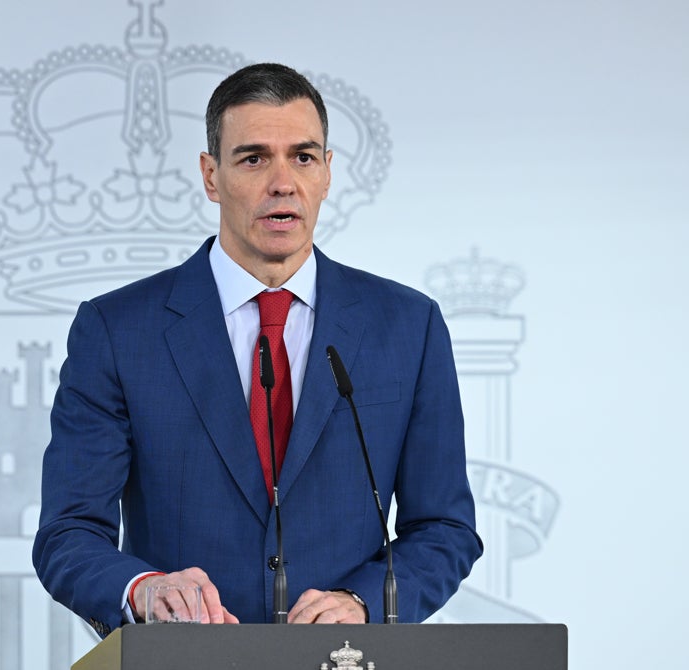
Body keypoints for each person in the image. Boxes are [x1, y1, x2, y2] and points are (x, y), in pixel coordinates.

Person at [33, 63, 482, 635]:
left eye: (303, 157)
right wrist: (143, 588)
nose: (282, 183)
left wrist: (363, 602)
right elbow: (69, 532)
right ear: (211, 175)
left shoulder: (407, 326)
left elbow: (445, 528)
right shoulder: (118, 331)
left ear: (327, 173)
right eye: (253, 158)